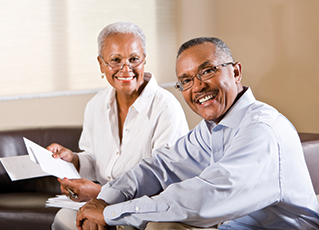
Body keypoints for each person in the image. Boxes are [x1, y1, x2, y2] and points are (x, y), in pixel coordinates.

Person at [75, 37, 319, 230]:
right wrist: (105, 199)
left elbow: (204, 198)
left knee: (158, 226)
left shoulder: (261, 130)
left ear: (235, 73)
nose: (198, 86)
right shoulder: (212, 128)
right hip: (231, 226)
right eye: (186, 80)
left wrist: (110, 213)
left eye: (207, 71)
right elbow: (161, 167)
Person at [48, 21, 189, 230]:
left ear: (144, 59)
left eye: (134, 59)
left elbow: (165, 181)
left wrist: (100, 197)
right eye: (115, 60)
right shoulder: (96, 105)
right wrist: (75, 159)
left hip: (145, 211)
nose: (126, 69)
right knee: (63, 219)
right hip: (102, 203)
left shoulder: (166, 108)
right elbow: (94, 159)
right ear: (101, 64)